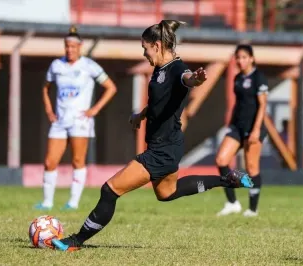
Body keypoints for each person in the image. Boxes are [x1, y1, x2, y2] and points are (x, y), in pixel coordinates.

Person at [51, 20, 253, 251]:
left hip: (162, 150)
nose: (144, 53)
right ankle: (226, 180)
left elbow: (187, 78)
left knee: (110, 189)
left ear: (156, 45)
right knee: (167, 192)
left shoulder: (178, 69)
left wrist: (196, 79)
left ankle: (76, 241)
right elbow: (160, 101)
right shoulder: (160, 68)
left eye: (145, 48)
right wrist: (141, 115)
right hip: (166, 145)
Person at [34, 26, 117, 211]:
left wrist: (95, 109)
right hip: (60, 122)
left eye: (73, 46)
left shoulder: (89, 66)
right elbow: (45, 87)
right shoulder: (56, 65)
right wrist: (49, 109)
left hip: (80, 121)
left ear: (80, 47)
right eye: (67, 46)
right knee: (50, 161)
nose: (69, 49)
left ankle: (73, 202)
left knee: (77, 161)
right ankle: (47, 202)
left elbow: (111, 87)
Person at [215, 44, 268, 217]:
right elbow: (239, 105)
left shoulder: (259, 78)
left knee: (252, 168)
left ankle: (253, 209)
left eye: (244, 57)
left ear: (251, 58)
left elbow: (262, 106)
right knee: (222, 160)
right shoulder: (237, 78)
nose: (240, 60)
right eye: (238, 57)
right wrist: (231, 124)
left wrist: (256, 130)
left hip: (254, 128)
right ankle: (232, 202)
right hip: (237, 127)